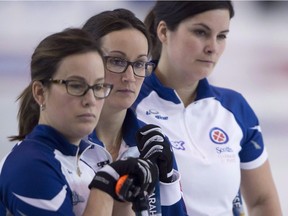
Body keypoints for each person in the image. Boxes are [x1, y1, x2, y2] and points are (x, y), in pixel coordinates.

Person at [132, 1, 283, 216]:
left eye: (221, 36)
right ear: (164, 32)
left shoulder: (234, 108)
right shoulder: (129, 105)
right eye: (201, 32)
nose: (213, 46)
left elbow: (261, 200)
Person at [0, 28, 159, 216]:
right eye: (76, 85)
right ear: (40, 93)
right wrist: (105, 186)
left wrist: (124, 197)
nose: (90, 99)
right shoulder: (30, 166)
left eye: (98, 86)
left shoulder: (84, 165)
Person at [82, 8, 187, 216]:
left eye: (139, 63)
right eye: (117, 61)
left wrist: (167, 182)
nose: (130, 76)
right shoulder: (63, 143)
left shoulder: (151, 142)